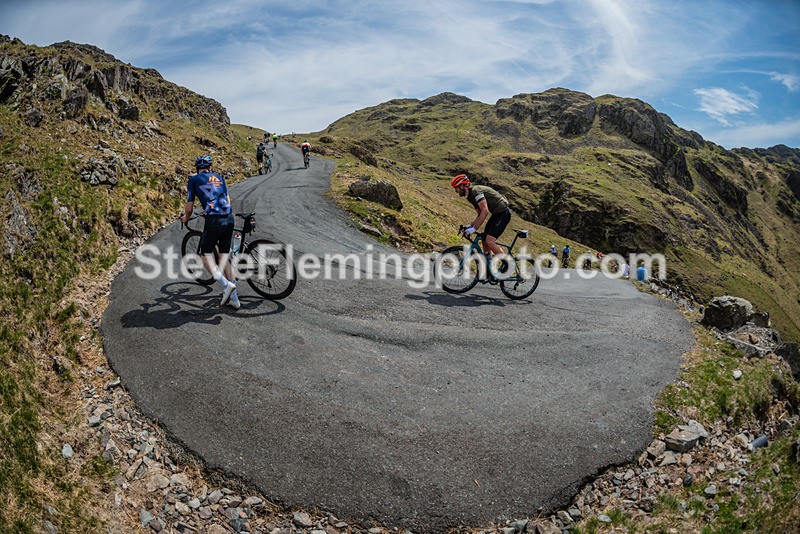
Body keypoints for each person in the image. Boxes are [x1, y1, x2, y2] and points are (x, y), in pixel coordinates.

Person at [180, 155, 240, 310]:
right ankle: (235, 299)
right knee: (223, 257)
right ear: (210, 168)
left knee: (205, 256)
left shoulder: (194, 180)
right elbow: (227, 200)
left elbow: (189, 207)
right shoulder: (219, 177)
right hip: (229, 217)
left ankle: (225, 285)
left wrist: (186, 218)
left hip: (214, 221)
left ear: (196, 169)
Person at [450, 174, 511, 257]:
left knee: (489, 241)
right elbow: (479, 214)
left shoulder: (476, 191)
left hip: (503, 213)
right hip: (496, 214)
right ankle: (489, 264)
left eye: (456, 188)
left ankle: (508, 263)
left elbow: (485, 211)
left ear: (462, 186)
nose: (456, 191)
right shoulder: (470, 197)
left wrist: (474, 228)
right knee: (484, 240)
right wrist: (468, 226)